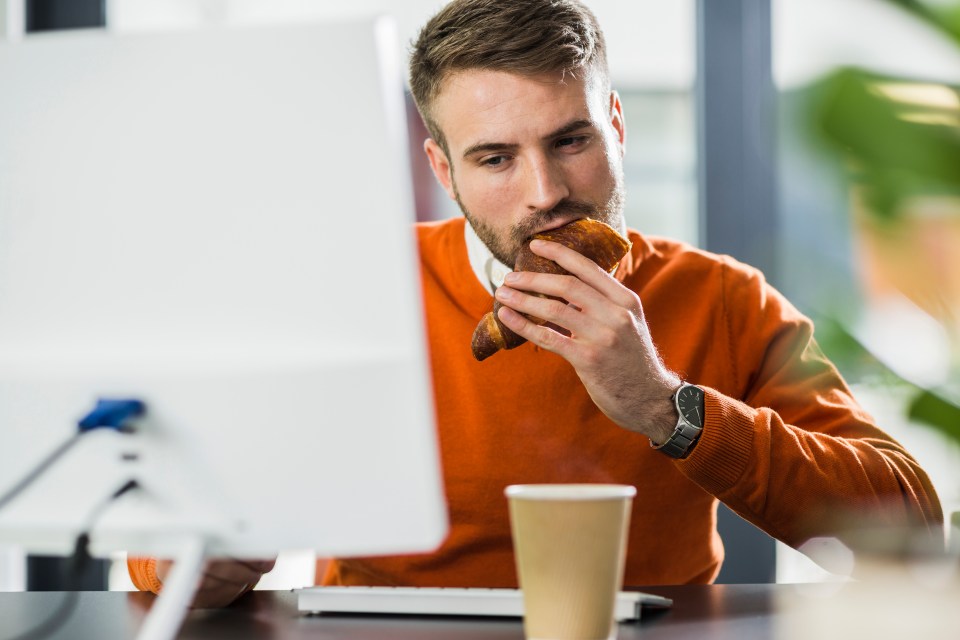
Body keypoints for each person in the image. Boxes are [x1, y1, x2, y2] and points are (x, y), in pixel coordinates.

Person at [129, 0, 943, 605]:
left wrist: (668, 408)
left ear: (617, 127)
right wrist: (199, 566)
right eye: (494, 158)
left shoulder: (723, 298)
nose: (545, 194)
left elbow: (910, 525)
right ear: (443, 171)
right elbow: (161, 539)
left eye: (571, 140)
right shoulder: (356, 288)